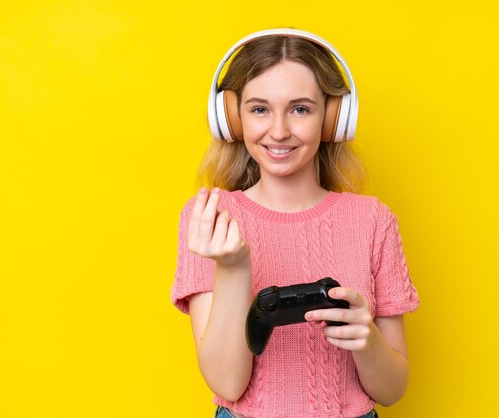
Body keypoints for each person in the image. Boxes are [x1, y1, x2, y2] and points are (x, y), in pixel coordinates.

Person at [172, 28, 420, 418]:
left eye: (300, 109)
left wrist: (366, 340)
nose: (279, 130)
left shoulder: (374, 221)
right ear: (232, 119)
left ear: (334, 118)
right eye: (259, 109)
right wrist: (233, 268)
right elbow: (227, 383)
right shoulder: (210, 218)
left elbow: (392, 390)